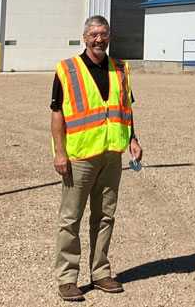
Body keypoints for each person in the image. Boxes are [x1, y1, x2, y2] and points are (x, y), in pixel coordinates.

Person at [50, 15, 143, 302]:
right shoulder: (67, 70)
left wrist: (133, 139)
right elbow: (57, 113)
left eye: (103, 34)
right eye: (93, 35)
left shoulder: (120, 68)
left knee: (105, 216)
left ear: (109, 36)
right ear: (85, 37)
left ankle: (100, 272)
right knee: (71, 219)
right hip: (79, 156)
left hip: (111, 155)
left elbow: (125, 107)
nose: (99, 39)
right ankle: (67, 278)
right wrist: (60, 152)